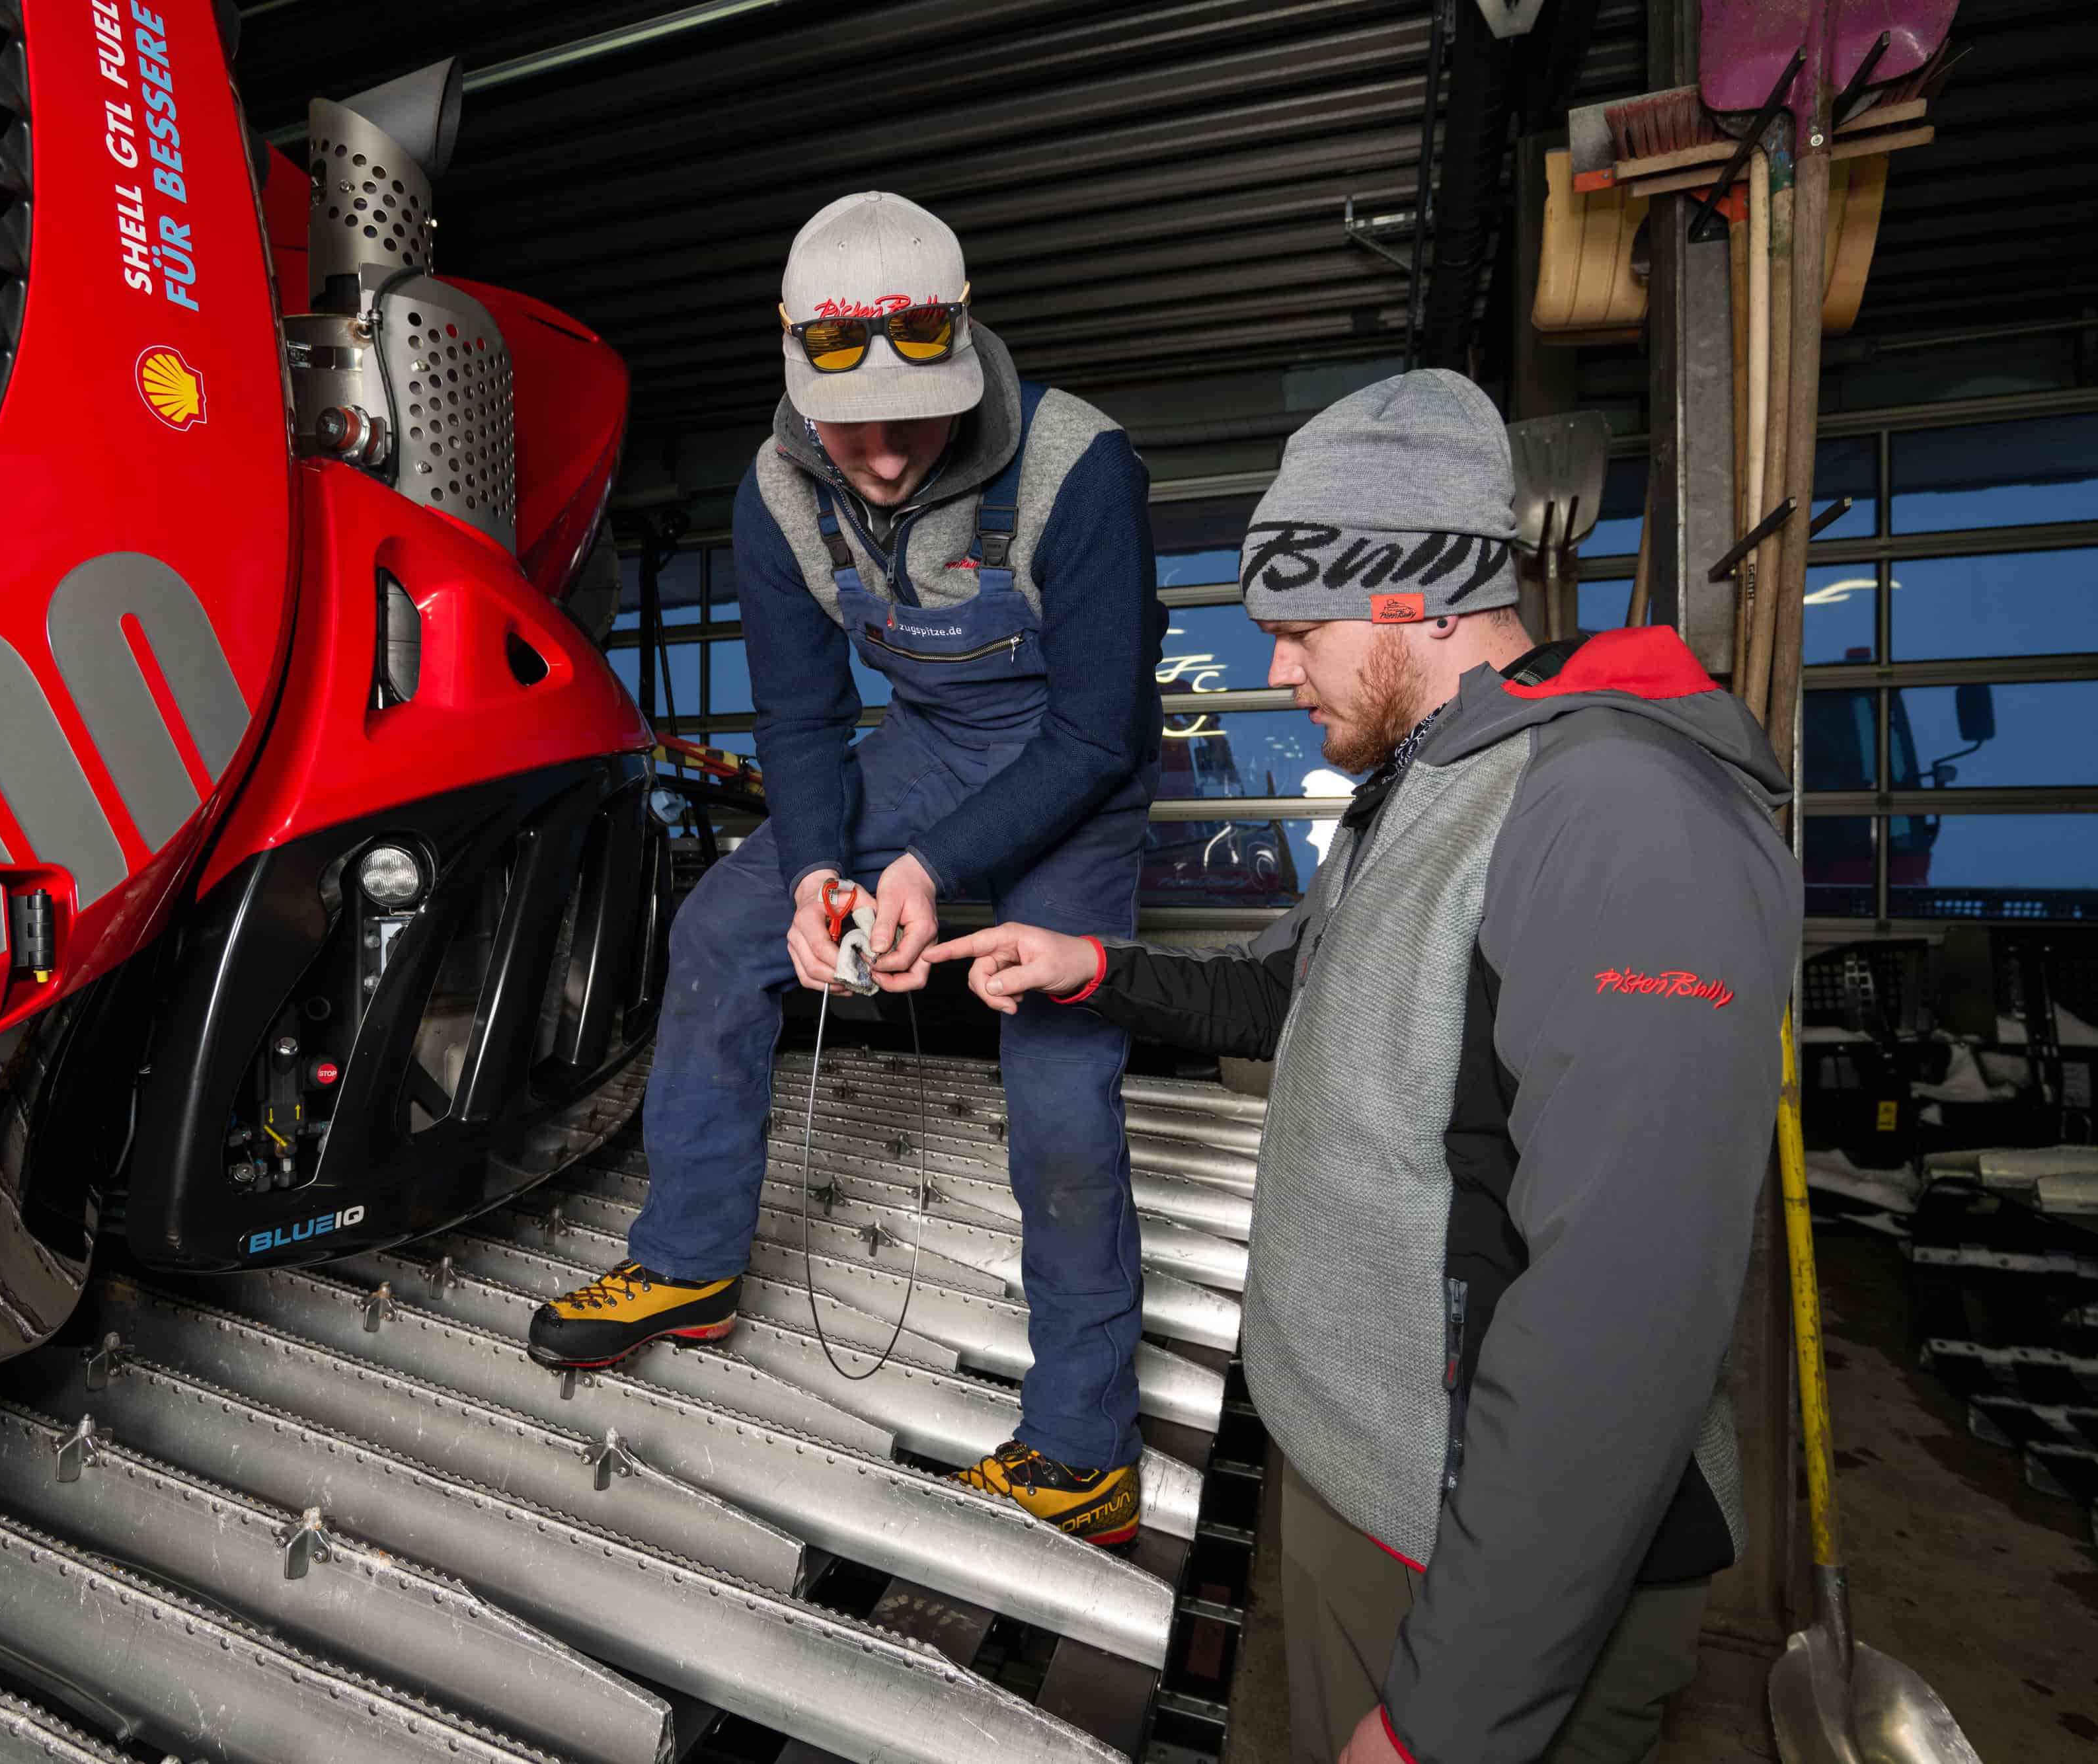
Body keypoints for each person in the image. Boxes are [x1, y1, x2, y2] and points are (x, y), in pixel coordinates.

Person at [929, 371, 1803, 1761]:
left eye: (1296, 630)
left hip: (1481, 1562)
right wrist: (1085, 964)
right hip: (1366, 1479)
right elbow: (1296, 989)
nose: (1279, 671)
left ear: (1408, 597)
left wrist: (1450, 1721)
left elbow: (1619, 1322)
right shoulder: (1431, 778)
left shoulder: (1621, 814)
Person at [524, 192, 1167, 1544]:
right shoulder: (774, 491)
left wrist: (934, 867)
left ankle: (1083, 1447)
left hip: (1070, 761)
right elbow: (806, 719)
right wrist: (823, 873)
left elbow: (1099, 729)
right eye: (849, 425)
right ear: (791, 370)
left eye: (911, 421)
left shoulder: (1074, 467)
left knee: (1054, 1077)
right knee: (722, 930)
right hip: (927, 744)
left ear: (965, 346)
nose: (878, 460)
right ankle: (688, 1265)